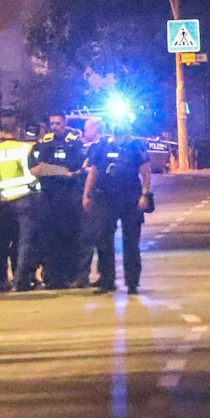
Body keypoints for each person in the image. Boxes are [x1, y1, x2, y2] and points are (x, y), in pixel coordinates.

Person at [82, 115, 152, 295]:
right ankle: (107, 279)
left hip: (130, 199)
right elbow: (93, 173)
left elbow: (145, 173)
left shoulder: (135, 146)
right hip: (106, 198)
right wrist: (87, 196)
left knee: (131, 242)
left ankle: (132, 282)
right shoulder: (102, 147)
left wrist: (144, 195)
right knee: (103, 240)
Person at [0, 121, 40, 292]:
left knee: (2, 242)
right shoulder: (26, 148)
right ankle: (21, 280)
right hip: (24, 199)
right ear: (17, 131)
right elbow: (36, 171)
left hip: (3, 203)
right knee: (23, 242)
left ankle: (4, 279)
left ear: (0, 134)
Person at [28, 112, 86, 289]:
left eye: (58, 123)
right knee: (50, 241)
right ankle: (52, 277)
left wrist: (52, 170)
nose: (55, 127)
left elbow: (80, 167)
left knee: (71, 238)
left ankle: (72, 276)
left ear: (65, 123)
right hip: (49, 199)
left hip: (70, 198)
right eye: (52, 124)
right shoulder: (44, 144)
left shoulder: (75, 143)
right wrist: (61, 171)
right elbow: (36, 169)